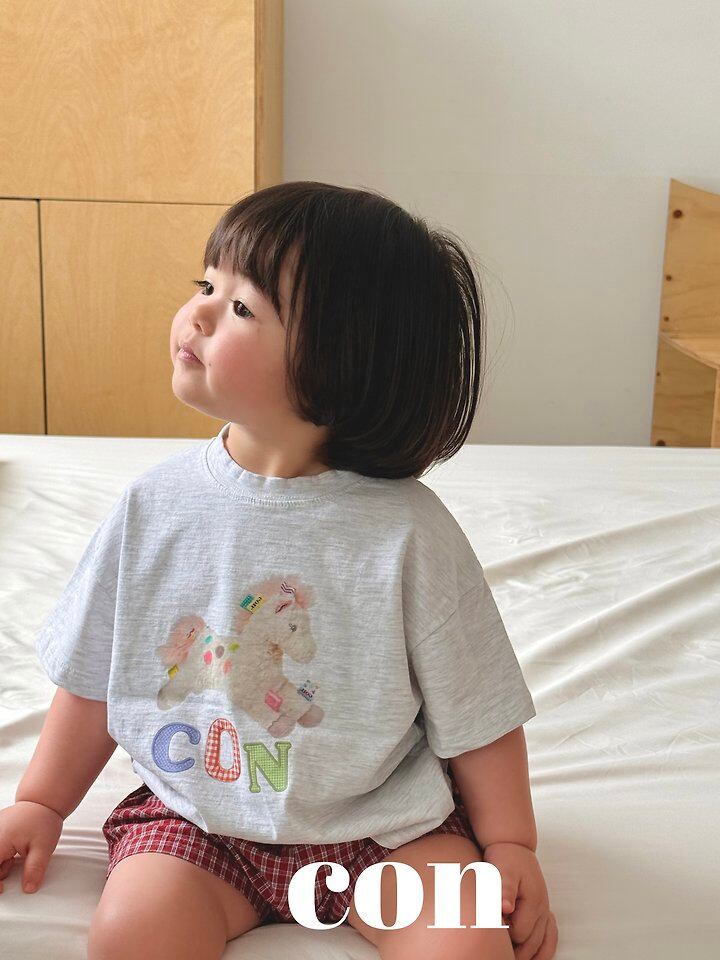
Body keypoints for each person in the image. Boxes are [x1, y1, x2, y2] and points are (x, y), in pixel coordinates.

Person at [1, 181, 558, 960]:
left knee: (467, 947)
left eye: (240, 307)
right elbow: (96, 673)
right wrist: (41, 803)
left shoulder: (409, 532)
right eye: (206, 285)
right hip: (198, 824)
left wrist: (510, 845)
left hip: (383, 830)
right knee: (132, 934)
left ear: (340, 363)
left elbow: (480, 710)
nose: (196, 314)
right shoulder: (153, 506)